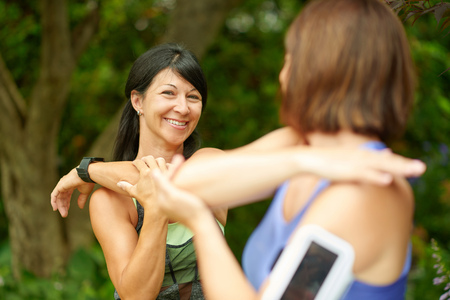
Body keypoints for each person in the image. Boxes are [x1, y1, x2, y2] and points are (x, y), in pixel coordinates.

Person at [51, 0, 426, 298]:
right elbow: (181, 180)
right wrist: (302, 160)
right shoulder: (296, 144)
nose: (283, 70)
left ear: (320, 69)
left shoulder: (363, 193)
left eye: (291, 56)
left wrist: (199, 221)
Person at [70, 43, 227, 300]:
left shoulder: (211, 164)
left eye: (193, 96)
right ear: (137, 100)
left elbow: (175, 179)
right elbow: (136, 296)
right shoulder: (110, 201)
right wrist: (90, 170)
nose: (183, 107)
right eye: (169, 93)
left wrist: (87, 170)